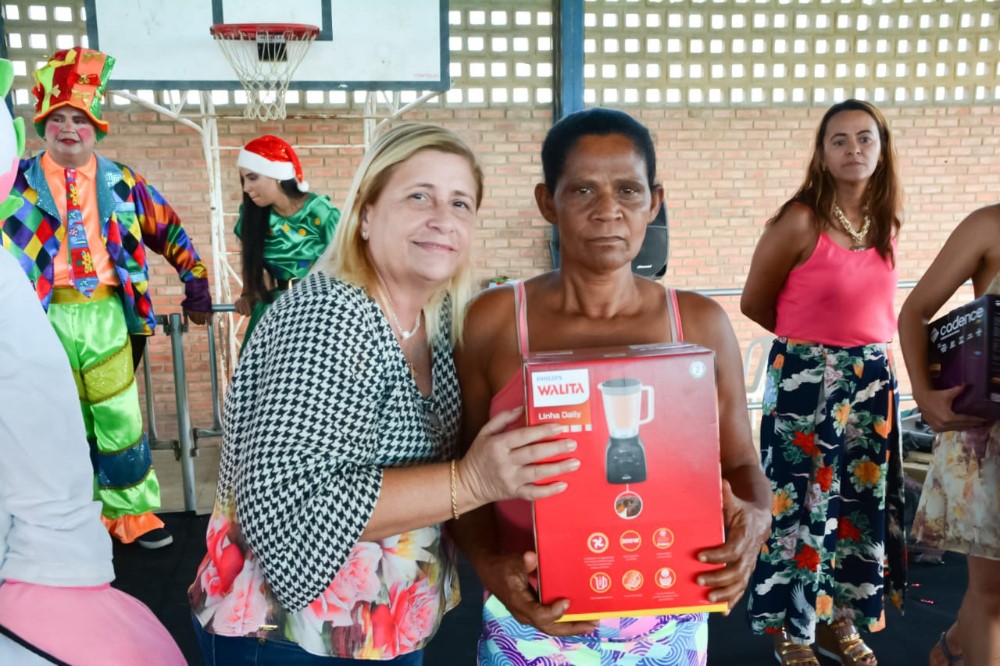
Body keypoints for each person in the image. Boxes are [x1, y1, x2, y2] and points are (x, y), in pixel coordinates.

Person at [188, 121, 580, 664]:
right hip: (288, 636)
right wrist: (472, 481)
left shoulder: (436, 316)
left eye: (460, 203)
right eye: (419, 196)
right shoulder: (329, 315)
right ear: (366, 215)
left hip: (381, 626)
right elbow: (291, 506)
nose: (443, 218)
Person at [451, 107, 771, 665]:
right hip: (533, 612)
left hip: (667, 615)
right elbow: (463, 475)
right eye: (582, 190)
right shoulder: (496, 321)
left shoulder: (697, 323)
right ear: (547, 202)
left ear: (654, 201)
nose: (608, 210)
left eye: (628, 189)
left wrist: (758, 520)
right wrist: (489, 565)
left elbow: (742, 462)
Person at [0, 46, 213, 550]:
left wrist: (195, 281)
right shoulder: (16, 182)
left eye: (80, 119)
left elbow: (168, 229)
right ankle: (72, 511)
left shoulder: (122, 182)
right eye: (58, 119)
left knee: (119, 415)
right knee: (58, 420)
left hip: (105, 314)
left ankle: (131, 513)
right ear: (41, 126)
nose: (69, 128)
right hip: (40, 317)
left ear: (96, 129)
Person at [741, 99, 907, 666]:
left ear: (881, 149)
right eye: (839, 139)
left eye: (865, 138)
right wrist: (816, 353)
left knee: (858, 507)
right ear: (821, 152)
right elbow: (755, 302)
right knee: (798, 507)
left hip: (871, 386)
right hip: (808, 385)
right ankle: (790, 631)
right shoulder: (799, 219)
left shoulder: (885, 221)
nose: (853, 148)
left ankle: (841, 621)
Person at [898, 203, 1000, 666]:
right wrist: (924, 393)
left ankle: (955, 643)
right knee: (993, 592)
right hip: (988, 435)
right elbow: (915, 311)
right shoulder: (989, 225)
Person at [233, 134, 341, 352]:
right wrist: (248, 293)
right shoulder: (252, 216)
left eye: (253, 178)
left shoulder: (321, 212)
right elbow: (251, 258)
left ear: (277, 175)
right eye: (244, 180)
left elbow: (346, 263)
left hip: (320, 310)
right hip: (275, 308)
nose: (246, 188)